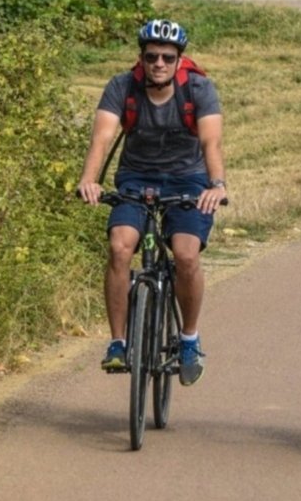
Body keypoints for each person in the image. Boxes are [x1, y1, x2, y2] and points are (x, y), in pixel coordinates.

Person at [77, 19, 227, 387]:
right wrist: (89, 179)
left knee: (186, 255)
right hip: (136, 178)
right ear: (141, 57)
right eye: (151, 56)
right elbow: (102, 137)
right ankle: (118, 342)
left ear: (179, 59)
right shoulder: (122, 87)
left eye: (167, 57)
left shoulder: (198, 89)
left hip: (188, 180)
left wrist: (217, 184)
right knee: (119, 248)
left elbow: (211, 142)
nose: (159, 63)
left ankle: (189, 339)